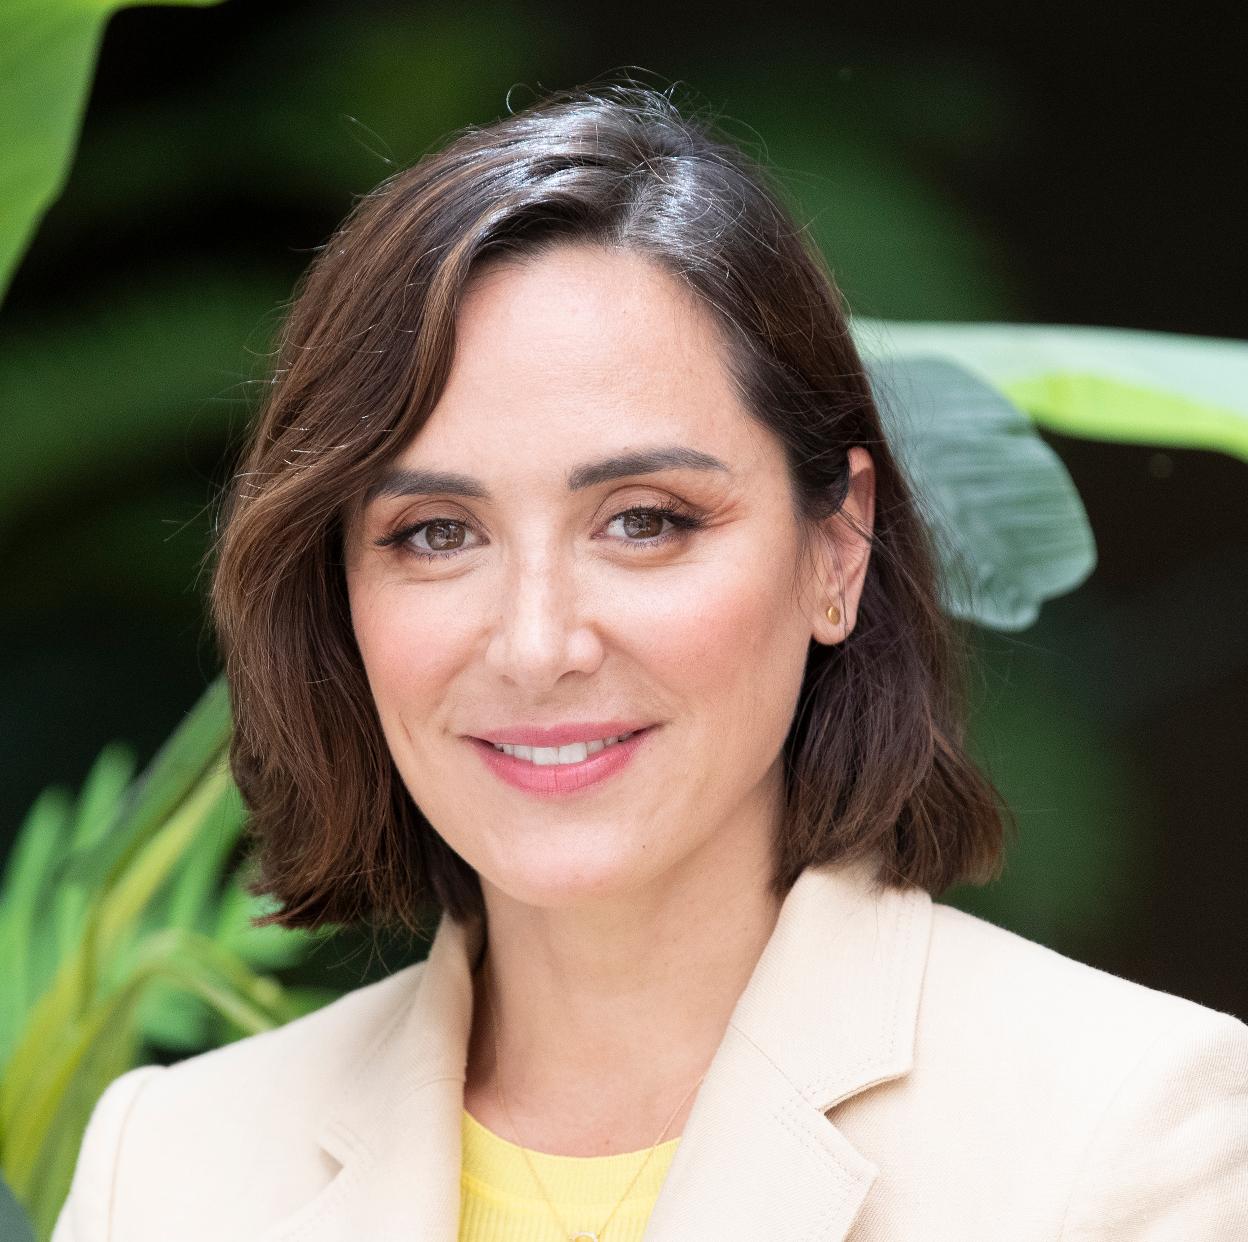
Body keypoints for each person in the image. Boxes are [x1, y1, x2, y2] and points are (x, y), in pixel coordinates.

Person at [54, 82, 1246, 1242]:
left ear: (836, 547)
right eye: (437, 534)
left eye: (644, 521)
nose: (537, 646)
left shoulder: (1123, 1134)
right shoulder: (166, 1170)